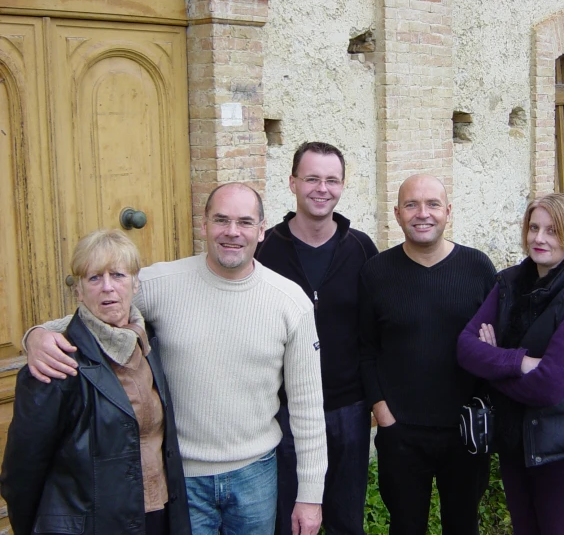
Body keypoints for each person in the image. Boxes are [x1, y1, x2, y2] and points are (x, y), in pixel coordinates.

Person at [22, 184, 328, 535]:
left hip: (255, 475)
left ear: (262, 230)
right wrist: (37, 334)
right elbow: (100, 309)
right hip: (182, 479)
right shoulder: (161, 283)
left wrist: (310, 495)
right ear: (203, 225)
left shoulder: (290, 302)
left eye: (245, 222)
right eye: (221, 220)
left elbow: (307, 407)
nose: (232, 232)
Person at [0, 229, 191, 535]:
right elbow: (22, 473)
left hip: (159, 514)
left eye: (117, 275)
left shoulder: (148, 343)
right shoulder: (58, 362)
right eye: (94, 278)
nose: (107, 288)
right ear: (78, 291)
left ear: (135, 283)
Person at [457, 193, 564, 535]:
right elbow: (466, 348)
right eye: (534, 227)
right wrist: (520, 361)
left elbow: (550, 386)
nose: (539, 238)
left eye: (553, 230)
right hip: (518, 446)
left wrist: (493, 366)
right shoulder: (509, 284)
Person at [359, 174, 496, 535]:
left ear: (448, 211)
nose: (423, 214)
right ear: (397, 214)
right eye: (411, 205)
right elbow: (365, 349)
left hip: (466, 430)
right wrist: (382, 413)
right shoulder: (376, 272)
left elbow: (496, 344)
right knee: (405, 527)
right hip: (401, 432)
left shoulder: (478, 268)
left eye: (433, 204)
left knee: (463, 525)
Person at [255, 142, 378, 535]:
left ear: (342, 186)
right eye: (311, 178)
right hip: (283, 411)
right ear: (292, 182)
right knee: (288, 522)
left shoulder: (361, 248)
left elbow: (374, 331)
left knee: (346, 521)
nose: (321, 189)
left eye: (331, 180)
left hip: (348, 408)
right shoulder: (265, 249)